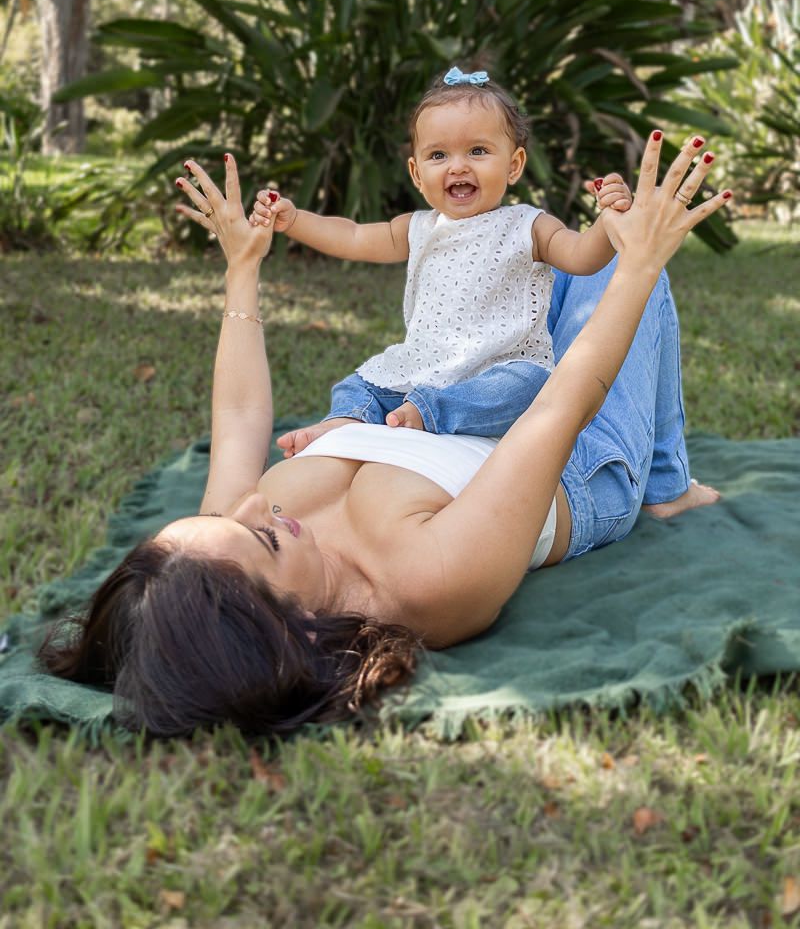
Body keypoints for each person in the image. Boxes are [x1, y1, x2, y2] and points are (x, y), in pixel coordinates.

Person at [39, 134, 729, 738]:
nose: (253, 505)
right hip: (575, 461)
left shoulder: (226, 547)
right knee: (618, 261)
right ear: (286, 626)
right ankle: (663, 484)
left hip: (458, 403)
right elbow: (562, 409)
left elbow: (242, 420)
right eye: (263, 537)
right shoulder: (425, 583)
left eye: (216, 518)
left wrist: (242, 267)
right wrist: (638, 265)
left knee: (533, 266)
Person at [248, 66, 633, 452]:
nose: (458, 166)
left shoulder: (528, 225)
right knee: (359, 384)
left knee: (530, 387)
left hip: (500, 371)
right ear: (417, 173)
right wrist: (295, 220)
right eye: (438, 154)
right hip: (426, 368)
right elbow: (353, 236)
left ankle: (428, 414)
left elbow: (583, 258)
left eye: (478, 151)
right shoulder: (417, 228)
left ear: (514, 165)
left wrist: (606, 221)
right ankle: (346, 420)